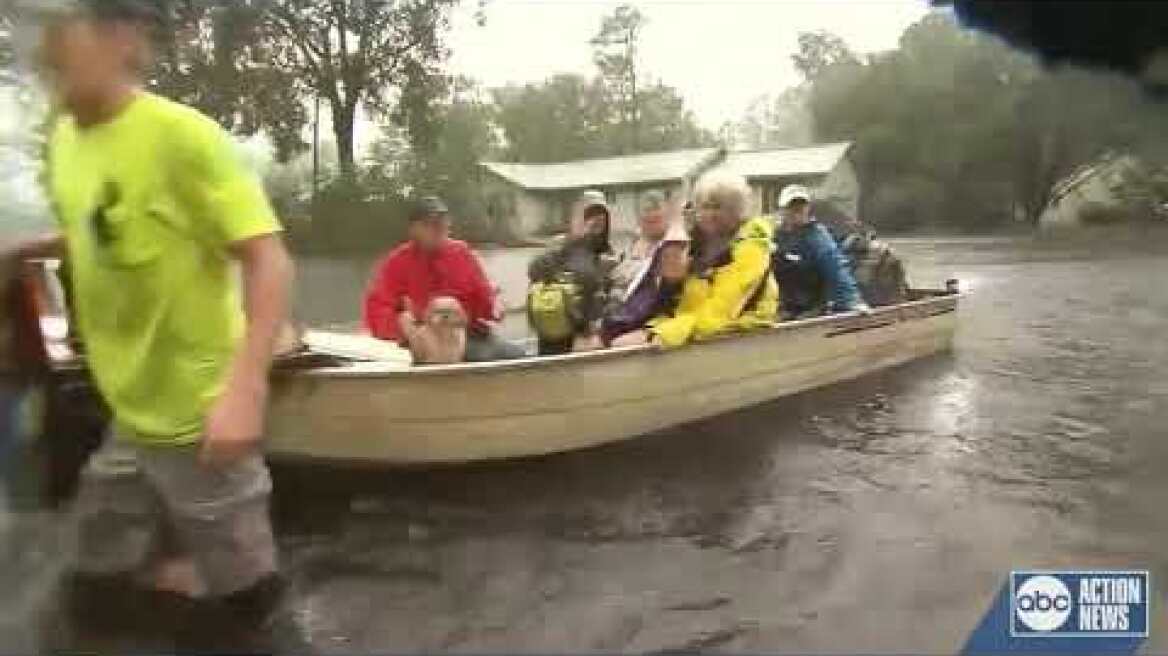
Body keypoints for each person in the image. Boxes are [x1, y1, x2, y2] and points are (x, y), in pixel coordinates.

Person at [26, 0, 301, 649]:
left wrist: (244, 391)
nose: (41, 49)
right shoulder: (65, 138)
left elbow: (268, 258)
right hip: (129, 419)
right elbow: (99, 226)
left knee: (254, 613)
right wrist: (25, 251)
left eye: (62, 30)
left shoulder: (182, 137)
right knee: (91, 587)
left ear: (122, 38)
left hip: (198, 424)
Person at [363, 196, 524, 364]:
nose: (438, 228)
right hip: (424, 342)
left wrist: (495, 307)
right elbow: (377, 312)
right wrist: (406, 330)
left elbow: (486, 302)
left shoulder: (462, 252)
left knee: (518, 356)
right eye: (429, 224)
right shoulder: (396, 262)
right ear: (413, 229)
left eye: (442, 222)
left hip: (468, 334)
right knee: (476, 358)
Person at [631, 173, 778, 348]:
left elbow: (721, 312)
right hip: (694, 331)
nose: (709, 214)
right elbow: (669, 294)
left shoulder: (752, 249)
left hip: (739, 337)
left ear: (737, 210)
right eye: (704, 207)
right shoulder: (697, 244)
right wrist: (652, 327)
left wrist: (664, 333)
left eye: (717, 207)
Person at [527, 190, 615, 355]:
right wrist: (575, 241)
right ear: (576, 217)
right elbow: (534, 270)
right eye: (589, 214)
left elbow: (601, 288)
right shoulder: (560, 245)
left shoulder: (607, 252)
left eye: (601, 214)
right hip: (555, 328)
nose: (595, 219)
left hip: (587, 332)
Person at [772, 185, 869, 319]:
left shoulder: (818, 237)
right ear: (781, 210)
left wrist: (853, 301)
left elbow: (836, 269)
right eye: (791, 206)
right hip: (779, 304)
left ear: (808, 208)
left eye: (801, 205)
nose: (797, 210)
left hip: (810, 307)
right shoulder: (771, 235)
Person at [610, 190, 669, 300]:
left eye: (656, 209)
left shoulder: (673, 245)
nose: (651, 214)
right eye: (646, 210)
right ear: (638, 218)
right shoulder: (628, 245)